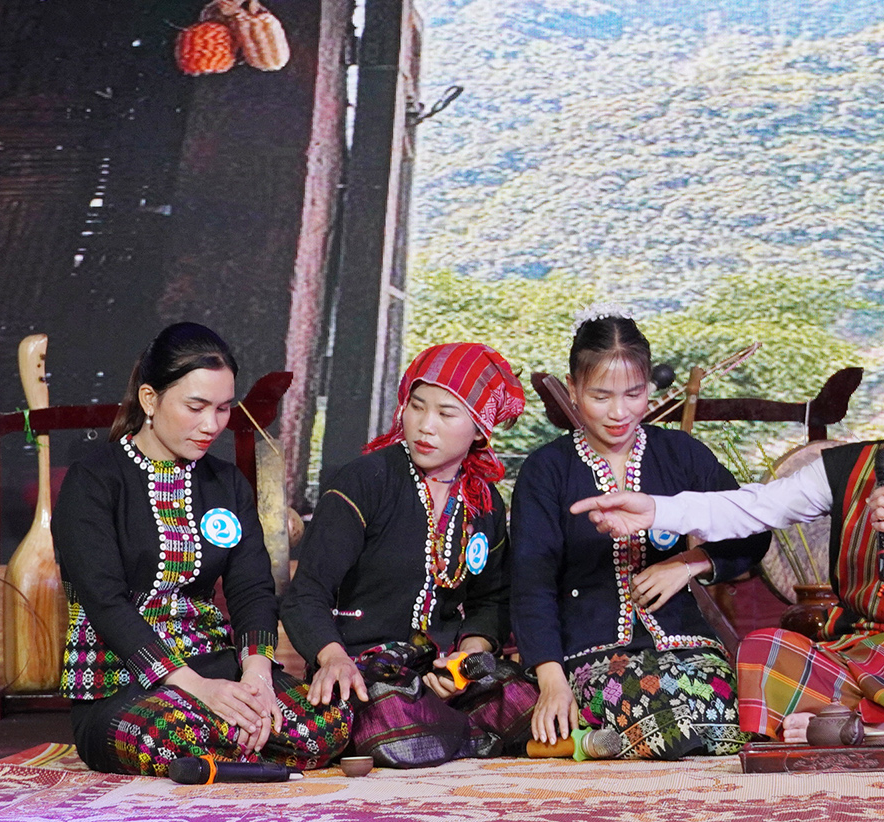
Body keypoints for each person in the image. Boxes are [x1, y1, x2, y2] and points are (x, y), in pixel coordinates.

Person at [574, 340, 884, 754]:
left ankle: (882, 731)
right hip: (854, 656)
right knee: (762, 650)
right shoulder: (849, 466)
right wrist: (655, 510)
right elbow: (756, 507)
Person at [52, 323, 348, 775]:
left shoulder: (226, 483)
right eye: (196, 407)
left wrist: (256, 677)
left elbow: (251, 589)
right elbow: (104, 602)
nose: (211, 425)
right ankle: (234, 748)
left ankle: (223, 755)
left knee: (329, 725)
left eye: (223, 408)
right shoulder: (93, 480)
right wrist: (196, 688)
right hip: (122, 683)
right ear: (149, 399)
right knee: (176, 732)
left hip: (215, 664)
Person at [510, 312, 768, 760]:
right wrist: (551, 681)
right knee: (666, 717)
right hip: (592, 656)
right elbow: (532, 584)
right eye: (600, 396)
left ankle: (615, 746)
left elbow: (751, 530)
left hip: (688, 647)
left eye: (634, 393)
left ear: (649, 386)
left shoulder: (681, 454)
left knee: (725, 720)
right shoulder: (546, 470)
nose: (619, 412)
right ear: (573, 389)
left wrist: (689, 564)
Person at [281, 343, 538, 768]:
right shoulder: (366, 480)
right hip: (365, 668)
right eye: (417, 407)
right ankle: (465, 735)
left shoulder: (484, 503)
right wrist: (332, 658)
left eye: (446, 414)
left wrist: (466, 659)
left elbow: (491, 601)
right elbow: (306, 593)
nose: (425, 425)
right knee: (394, 721)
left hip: (441, 674)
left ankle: (447, 729)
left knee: (527, 701)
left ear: (479, 430)